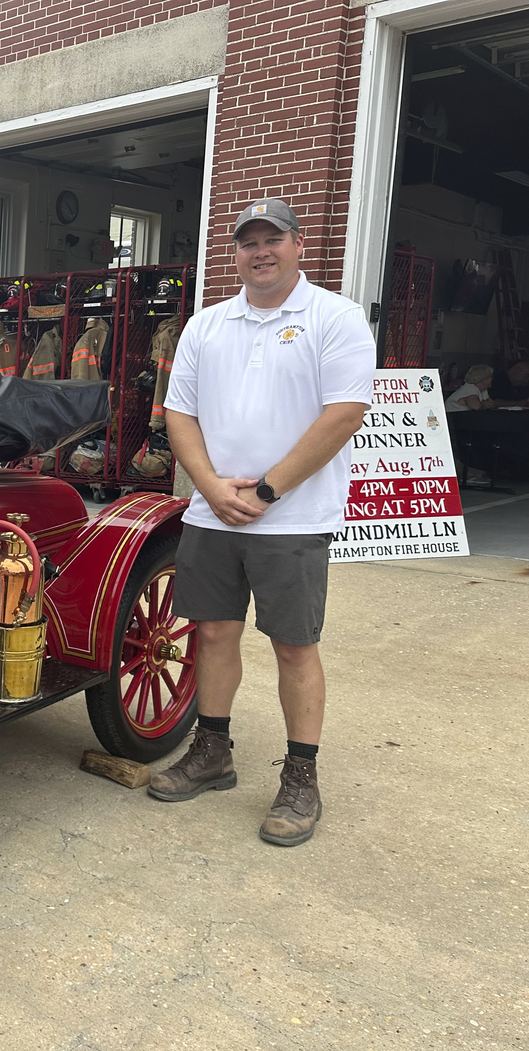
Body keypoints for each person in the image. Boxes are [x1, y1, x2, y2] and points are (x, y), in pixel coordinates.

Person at [156, 199, 374, 847]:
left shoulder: (335, 319)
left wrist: (271, 489)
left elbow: (344, 414)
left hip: (294, 518)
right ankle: (212, 750)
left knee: (293, 645)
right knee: (215, 632)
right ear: (235, 253)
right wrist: (209, 485)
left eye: (272, 238)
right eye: (248, 241)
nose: (260, 251)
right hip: (213, 512)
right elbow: (179, 415)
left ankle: (301, 775)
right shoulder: (207, 325)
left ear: (298, 245)